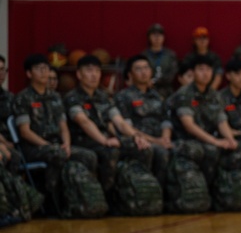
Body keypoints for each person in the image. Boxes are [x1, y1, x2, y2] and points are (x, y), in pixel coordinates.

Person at [13, 54, 98, 197]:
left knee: (89, 156)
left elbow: (63, 125)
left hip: (57, 145)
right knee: (57, 154)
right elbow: (25, 132)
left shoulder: (55, 96)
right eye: (38, 69)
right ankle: (52, 197)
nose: (43, 72)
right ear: (29, 73)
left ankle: (84, 196)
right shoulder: (23, 98)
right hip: (34, 147)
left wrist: (67, 144)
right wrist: (48, 145)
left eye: (46, 68)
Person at [64, 55, 153, 193]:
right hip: (84, 141)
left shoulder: (103, 97)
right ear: (79, 74)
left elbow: (120, 122)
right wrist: (104, 140)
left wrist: (136, 136)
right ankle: (107, 194)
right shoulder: (72, 97)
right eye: (89, 70)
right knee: (110, 152)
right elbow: (84, 122)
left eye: (97, 71)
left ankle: (141, 191)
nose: (94, 75)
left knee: (143, 147)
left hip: (106, 139)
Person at [169, 54, 241, 185]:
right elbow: (189, 126)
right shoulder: (184, 94)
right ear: (193, 72)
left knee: (238, 148)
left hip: (207, 139)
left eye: (208, 69)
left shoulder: (214, 95)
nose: (205, 73)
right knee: (210, 151)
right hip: (184, 139)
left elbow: (221, 120)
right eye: (201, 69)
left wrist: (230, 139)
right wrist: (215, 141)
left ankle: (224, 188)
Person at [115, 54, 173, 187]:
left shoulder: (157, 95)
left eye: (146, 68)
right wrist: (155, 141)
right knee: (159, 152)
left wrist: (165, 138)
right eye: (138, 69)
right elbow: (126, 127)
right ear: (130, 74)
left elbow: (166, 121)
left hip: (160, 140)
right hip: (138, 140)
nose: (144, 72)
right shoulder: (123, 96)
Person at [142, 23, 179, 99]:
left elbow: (172, 73)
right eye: (154, 35)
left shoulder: (170, 55)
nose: (157, 38)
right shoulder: (144, 56)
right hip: (147, 90)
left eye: (159, 35)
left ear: (163, 37)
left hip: (167, 91)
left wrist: (156, 81)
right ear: (149, 37)